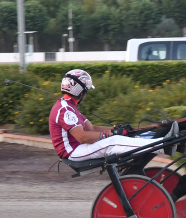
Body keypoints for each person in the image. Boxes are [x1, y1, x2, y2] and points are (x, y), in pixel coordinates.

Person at [49, 69, 177, 161]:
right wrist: (109, 135)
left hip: (79, 147)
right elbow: (83, 137)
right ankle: (164, 145)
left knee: (121, 136)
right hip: (73, 152)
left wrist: (116, 128)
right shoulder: (64, 110)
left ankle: (160, 138)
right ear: (81, 92)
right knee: (112, 142)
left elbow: (92, 129)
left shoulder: (69, 107)